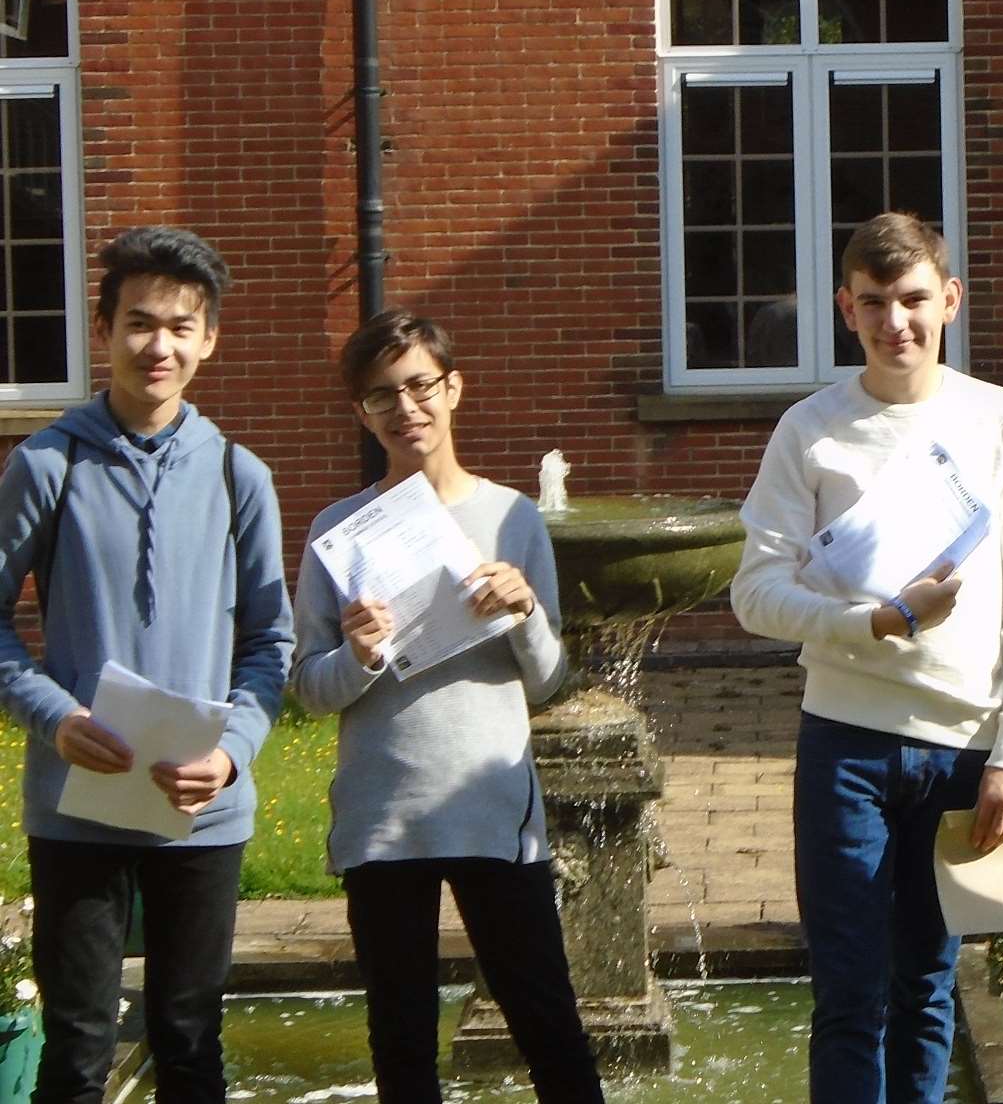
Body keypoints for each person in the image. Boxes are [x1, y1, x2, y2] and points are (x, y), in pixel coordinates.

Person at [730, 211, 1003, 1103]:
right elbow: (753, 594)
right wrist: (871, 622)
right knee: (849, 993)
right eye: (873, 302)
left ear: (949, 300)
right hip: (846, 743)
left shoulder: (999, 421)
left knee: (927, 987)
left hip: (962, 748)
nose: (896, 322)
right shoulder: (812, 431)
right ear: (845, 308)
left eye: (914, 299)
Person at [0, 226, 294, 1104]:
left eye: (179, 325)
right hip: (77, 806)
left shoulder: (242, 475)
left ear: (209, 339)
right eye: (138, 322)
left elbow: (270, 645)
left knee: (190, 1041)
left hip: (203, 809)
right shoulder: (47, 463)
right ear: (104, 328)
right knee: (79, 1049)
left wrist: (234, 750)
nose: (157, 345)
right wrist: (55, 716)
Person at [290, 310, 603, 1104]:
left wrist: (525, 609)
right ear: (363, 412)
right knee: (401, 1052)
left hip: (492, 811)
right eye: (382, 395)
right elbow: (308, 687)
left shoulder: (512, 518)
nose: (406, 409)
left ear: (453, 388)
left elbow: (548, 681)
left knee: (552, 1035)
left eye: (420, 385)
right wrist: (358, 656)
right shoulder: (340, 532)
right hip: (384, 818)